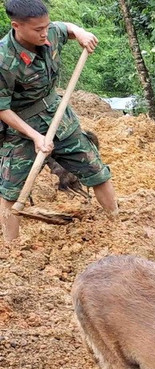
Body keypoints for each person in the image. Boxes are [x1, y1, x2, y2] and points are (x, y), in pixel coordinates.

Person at [0, 0, 117, 244]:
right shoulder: (3, 60)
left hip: (58, 116)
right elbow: (2, 108)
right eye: (38, 29)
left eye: (46, 26)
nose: (45, 33)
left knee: (97, 171)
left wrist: (81, 33)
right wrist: (34, 136)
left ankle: (116, 223)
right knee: (11, 191)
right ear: (16, 26)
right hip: (20, 127)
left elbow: (65, 27)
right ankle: (11, 247)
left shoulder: (50, 31)